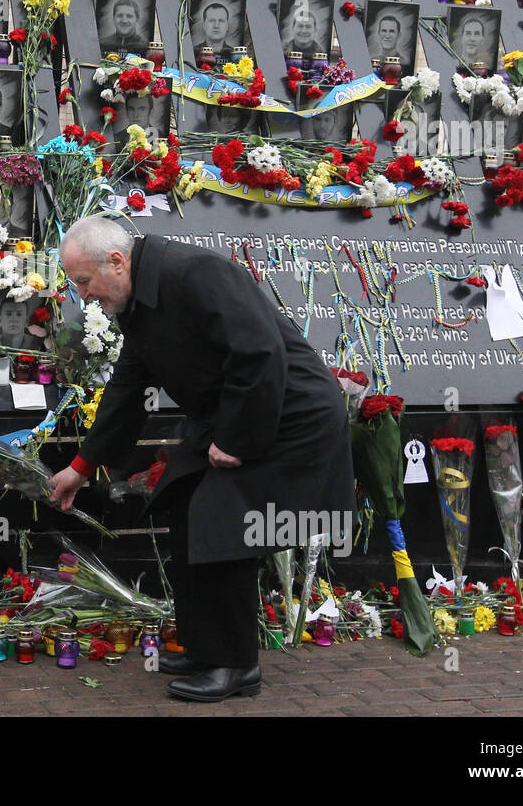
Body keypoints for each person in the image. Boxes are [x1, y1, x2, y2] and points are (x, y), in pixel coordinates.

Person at [48, 218, 354, 702]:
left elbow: (259, 350)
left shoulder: (195, 273)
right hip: (235, 414)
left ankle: (237, 666)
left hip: (288, 415)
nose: (83, 296)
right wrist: (82, 467)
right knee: (185, 503)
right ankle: (206, 648)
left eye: (84, 282)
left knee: (222, 521)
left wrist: (237, 438)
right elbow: (129, 384)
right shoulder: (139, 297)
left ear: (117, 262)